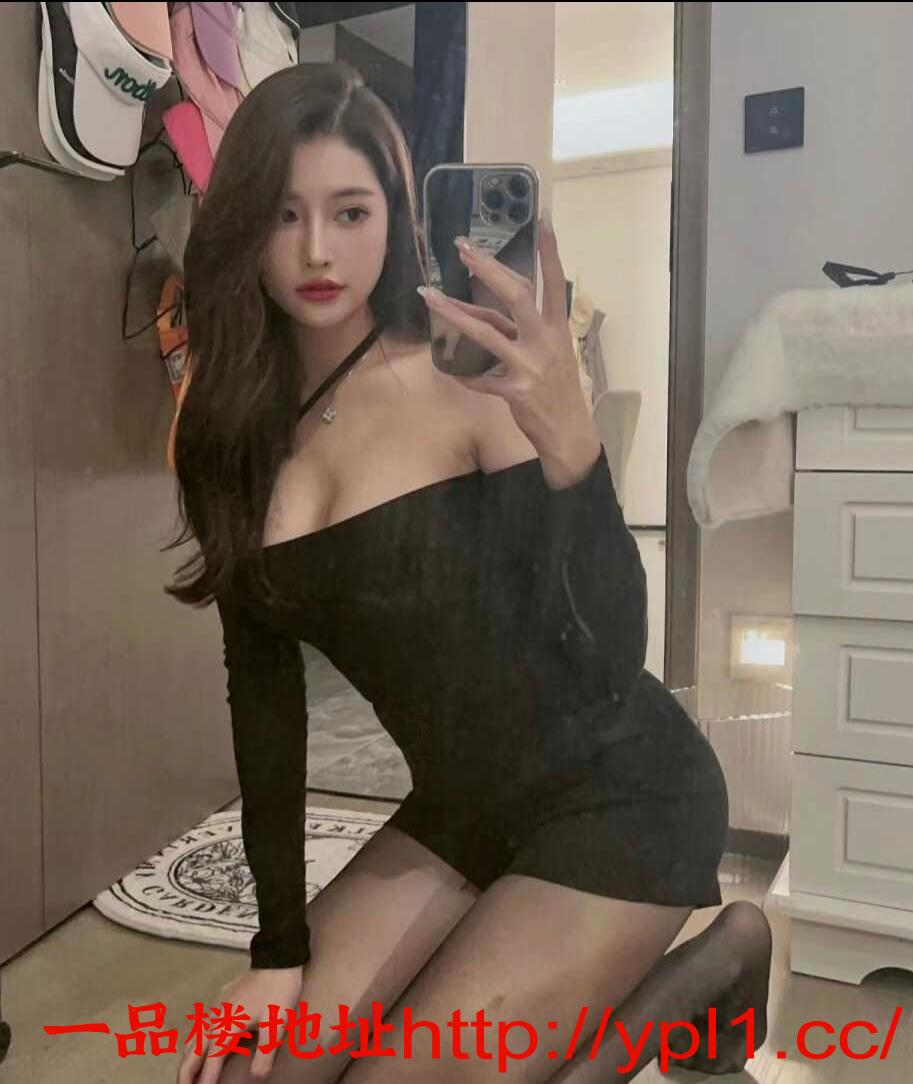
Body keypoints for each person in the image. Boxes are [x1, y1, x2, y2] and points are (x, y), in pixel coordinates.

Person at [166, 62, 772, 1084]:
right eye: (283, 214)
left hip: (622, 791)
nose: (317, 252)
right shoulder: (223, 434)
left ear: (393, 219)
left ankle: (718, 960)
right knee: (247, 1078)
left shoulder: (467, 380)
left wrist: (575, 452)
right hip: (460, 808)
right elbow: (263, 696)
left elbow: (609, 656)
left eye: (350, 212)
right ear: (241, 227)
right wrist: (276, 951)